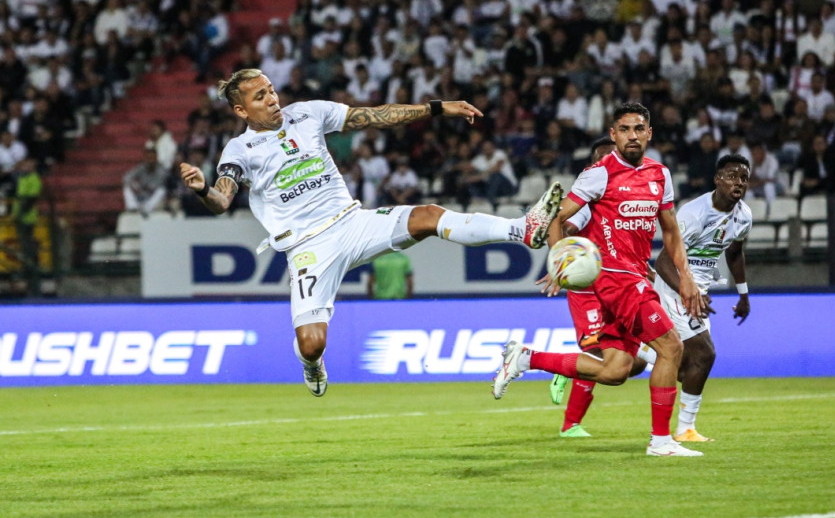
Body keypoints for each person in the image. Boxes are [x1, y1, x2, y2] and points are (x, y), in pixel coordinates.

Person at [179, 68, 563, 398]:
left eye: (272, 90)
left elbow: (376, 116)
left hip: (353, 222)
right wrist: (202, 189)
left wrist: (437, 107)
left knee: (428, 215)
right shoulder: (239, 149)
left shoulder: (308, 114)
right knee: (312, 344)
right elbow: (222, 200)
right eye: (260, 96)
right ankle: (310, 364)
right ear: (241, 110)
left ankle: (522, 229)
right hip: (307, 247)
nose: (272, 99)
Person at [492, 102, 706, 458]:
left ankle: (527, 359)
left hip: (636, 275)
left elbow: (670, 232)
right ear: (613, 135)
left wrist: (685, 277)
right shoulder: (599, 174)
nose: (632, 136)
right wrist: (560, 261)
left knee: (616, 370)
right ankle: (661, 441)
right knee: (672, 348)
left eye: (639, 129)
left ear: (649, 133)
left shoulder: (660, 175)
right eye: (624, 129)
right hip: (615, 279)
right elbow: (555, 218)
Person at [633, 154, 753, 442]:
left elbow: (734, 254)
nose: (738, 182)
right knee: (706, 354)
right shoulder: (694, 213)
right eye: (731, 176)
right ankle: (685, 430)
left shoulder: (743, 215)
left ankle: (647, 351)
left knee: (691, 369)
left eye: (743, 178)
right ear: (717, 180)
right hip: (675, 285)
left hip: (699, 290)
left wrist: (744, 294)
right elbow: (663, 262)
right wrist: (688, 291)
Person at [546, 137, 650, 438]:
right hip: (588, 288)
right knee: (599, 352)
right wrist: (559, 261)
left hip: (619, 286)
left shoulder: (630, 200)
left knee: (633, 365)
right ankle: (570, 425)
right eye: (602, 159)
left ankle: (568, 368)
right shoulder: (586, 202)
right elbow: (561, 225)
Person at [123, 147, 168, 216]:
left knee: (162, 190)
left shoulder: (161, 170)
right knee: (127, 187)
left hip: (152, 196)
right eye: (149, 158)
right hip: (141, 193)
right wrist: (134, 185)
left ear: (156, 158)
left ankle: (147, 209)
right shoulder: (142, 167)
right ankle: (133, 207)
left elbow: (159, 185)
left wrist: (146, 187)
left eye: (152, 158)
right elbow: (126, 177)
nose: (151, 160)